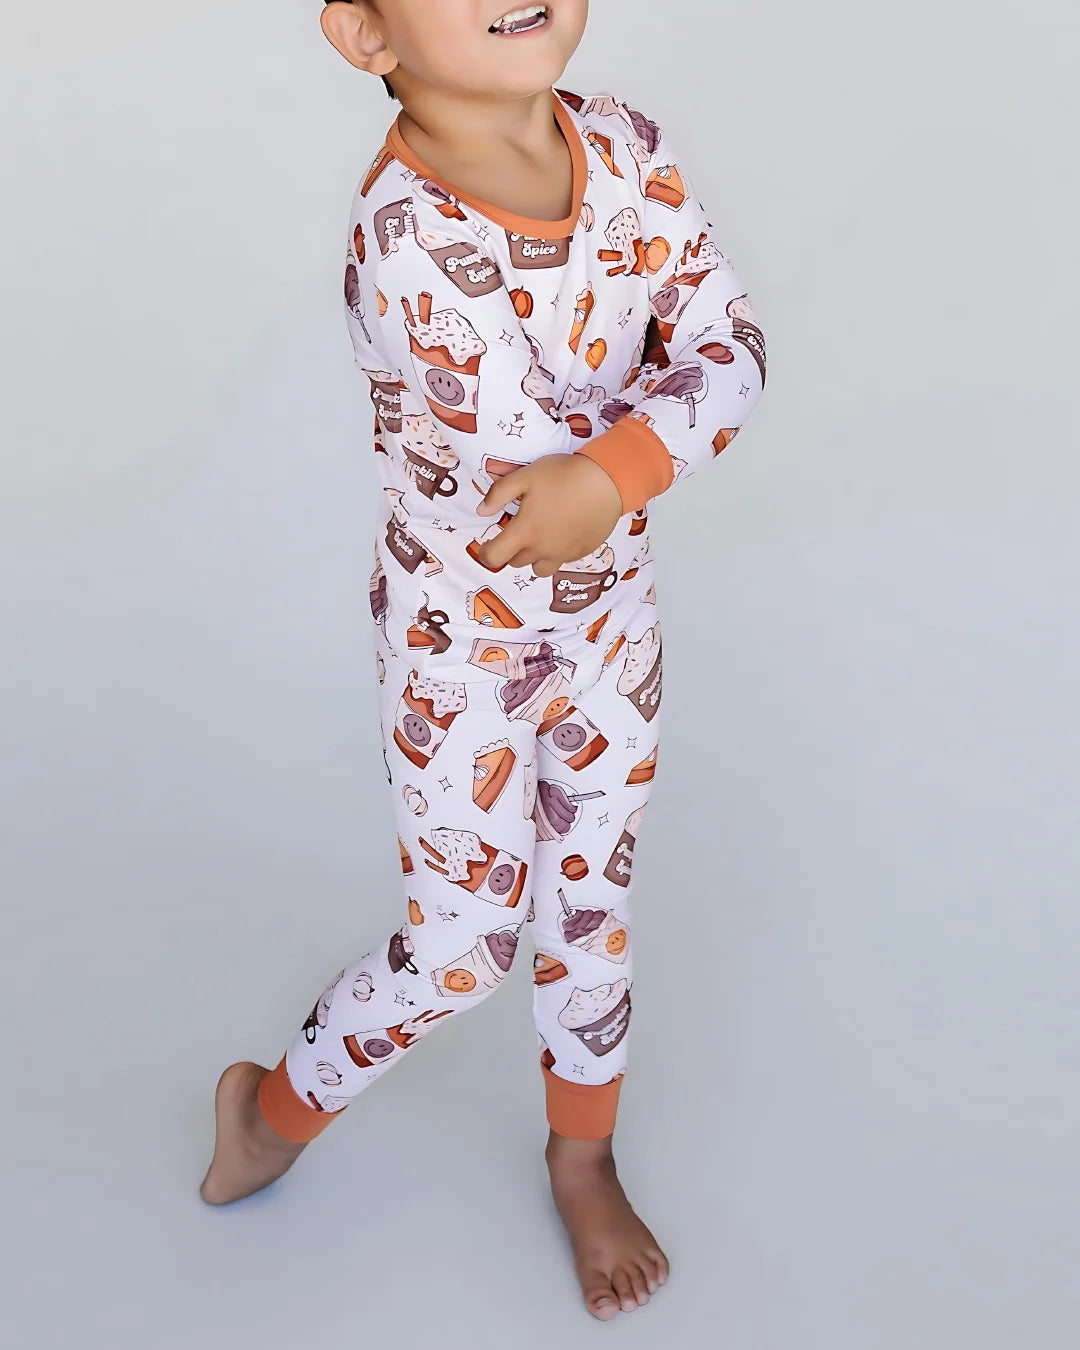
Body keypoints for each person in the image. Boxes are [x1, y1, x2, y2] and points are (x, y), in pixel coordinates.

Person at [200, 0, 767, 1321]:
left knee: (592, 903)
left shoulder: (628, 147)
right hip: (462, 648)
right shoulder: (405, 238)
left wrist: (617, 466)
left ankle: (583, 1156)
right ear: (366, 36)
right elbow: (529, 494)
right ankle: (273, 1109)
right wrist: (631, 446)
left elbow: (733, 346)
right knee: (464, 950)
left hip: (610, 626)